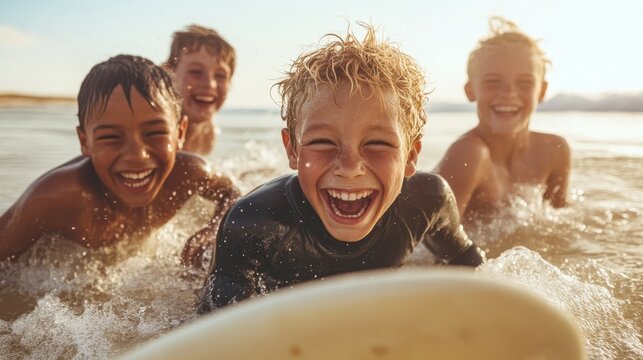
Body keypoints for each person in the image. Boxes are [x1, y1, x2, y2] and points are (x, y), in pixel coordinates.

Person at [199, 24, 485, 312]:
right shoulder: (255, 223)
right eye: (323, 142)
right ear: (292, 149)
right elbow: (214, 332)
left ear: (411, 155)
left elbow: (468, 268)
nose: (350, 168)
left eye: (378, 144)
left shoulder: (427, 202)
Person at [0, 55, 239, 267]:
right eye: (111, 137)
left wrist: (215, 230)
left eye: (155, 133)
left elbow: (231, 192)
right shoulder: (57, 196)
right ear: (84, 142)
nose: (137, 155)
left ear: (180, 133)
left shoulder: (188, 172)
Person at [436, 17, 571, 223]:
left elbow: (561, 224)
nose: (508, 93)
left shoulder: (553, 151)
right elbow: (433, 246)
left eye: (524, 83)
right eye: (493, 82)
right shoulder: (468, 154)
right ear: (470, 90)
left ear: (542, 91)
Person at [164, 24, 236, 156]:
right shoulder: (160, 128)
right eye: (196, 72)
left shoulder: (208, 132)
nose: (210, 84)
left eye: (220, 75)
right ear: (170, 74)